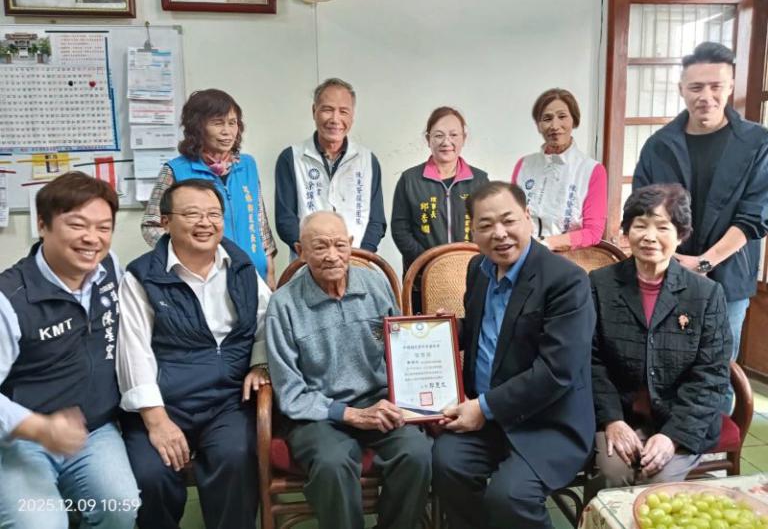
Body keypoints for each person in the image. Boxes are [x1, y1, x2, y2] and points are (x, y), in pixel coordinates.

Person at [432, 181, 596, 529]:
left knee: (510, 496)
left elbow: (556, 371)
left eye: (508, 220)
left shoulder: (567, 280)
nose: (499, 233)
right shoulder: (478, 269)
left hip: (548, 420)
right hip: (487, 418)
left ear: (527, 217)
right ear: (473, 231)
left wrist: (483, 407)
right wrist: (441, 332)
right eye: (486, 225)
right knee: (446, 463)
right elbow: (486, 331)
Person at [118, 179, 271, 529]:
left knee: (236, 458)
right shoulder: (142, 277)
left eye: (214, 214)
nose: (205, 223)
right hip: (165, 403)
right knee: (150, 476)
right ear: (165, 222)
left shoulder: (241, 267)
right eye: (191, 214)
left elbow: (268, 319)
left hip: (228, 401)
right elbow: (133, 351)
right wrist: (156, 421)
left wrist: (260, 362)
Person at [266, 211, 432, 529]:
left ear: (351, 245)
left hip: (379, 403)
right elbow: (290, 391)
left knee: (416, 454)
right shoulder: (283, 305)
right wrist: (349, 414)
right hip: (317, 415)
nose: (332, 255)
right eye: (320, 246)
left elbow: (401, 353)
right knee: (332, 463)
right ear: (301, 251)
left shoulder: (376, 285)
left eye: (339, 245)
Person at [0, 172, 139, 529]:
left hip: (95, 430)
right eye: (77, 225)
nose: (92, 238)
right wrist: (39, 427)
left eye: (104, 227)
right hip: (20, 438)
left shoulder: (109, 269)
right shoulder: (9, 299)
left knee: (120, 508)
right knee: (41, 524)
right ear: (42, 224)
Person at [587, 184, 730, 498]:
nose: (649, 237)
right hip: (620, 415)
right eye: (640, 225)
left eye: (662, 227)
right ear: (627, 231)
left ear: (680, 235)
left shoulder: (705, 294)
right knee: (613, 473)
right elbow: (590, 361)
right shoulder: (599, 285)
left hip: (679, 419)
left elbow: (712, 375)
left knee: (658, 482)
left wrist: (673, 436)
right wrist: (611, 420)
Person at [633, 42, 768, 362]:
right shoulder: (659, 145)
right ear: (681, 89)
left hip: (728, 278)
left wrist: (705, 263)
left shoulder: (757, 142)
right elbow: (641, 208)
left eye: (716, 86)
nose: (706, 96)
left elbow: (755, 216)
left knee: (717, 369)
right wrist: (672, 260)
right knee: (662, 362)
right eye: (696, 87)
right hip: (666, 273)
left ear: (730, 86)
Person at [141, 88, 277, 288]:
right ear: (198, 128)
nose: (227, 131)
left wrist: (269, 268)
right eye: (218, 123)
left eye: (232, 123)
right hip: (205, 279)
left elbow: (259, 219)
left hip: (254, 274)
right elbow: (151, 225)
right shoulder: (175, 170)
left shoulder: (248, 164)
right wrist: (184, 256)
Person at [274, 78, 387, 255]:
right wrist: (315, 253)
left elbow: (376, 221)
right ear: (314, 111)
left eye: (343, 111)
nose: (335, 119)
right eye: (328, 110)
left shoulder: (367, 160)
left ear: (352, 116)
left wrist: (359, 256)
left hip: (358, 260)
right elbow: (285, 220)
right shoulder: (291, 158)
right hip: (308, 261)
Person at [391, 106, 489, 280]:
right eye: (438, 135)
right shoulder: (410, 179)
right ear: (428, 139)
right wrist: (428, 262)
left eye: (454, 135)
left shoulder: (479, 181)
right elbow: (400, 230)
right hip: (422, 276)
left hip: (470, 275)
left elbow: (488, 226)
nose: (446, 142)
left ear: (464, 138)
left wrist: (469, 262)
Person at [512, 88, 607, 251]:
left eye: (562, 116)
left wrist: (547, 243)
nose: (555, 126)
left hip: (569, 258)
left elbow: (593, 232)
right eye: (547, 119)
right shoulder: (524, 165)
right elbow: (512, 216)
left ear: (574, 120)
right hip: (523, 254)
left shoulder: (592, 170)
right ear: (539, 126)